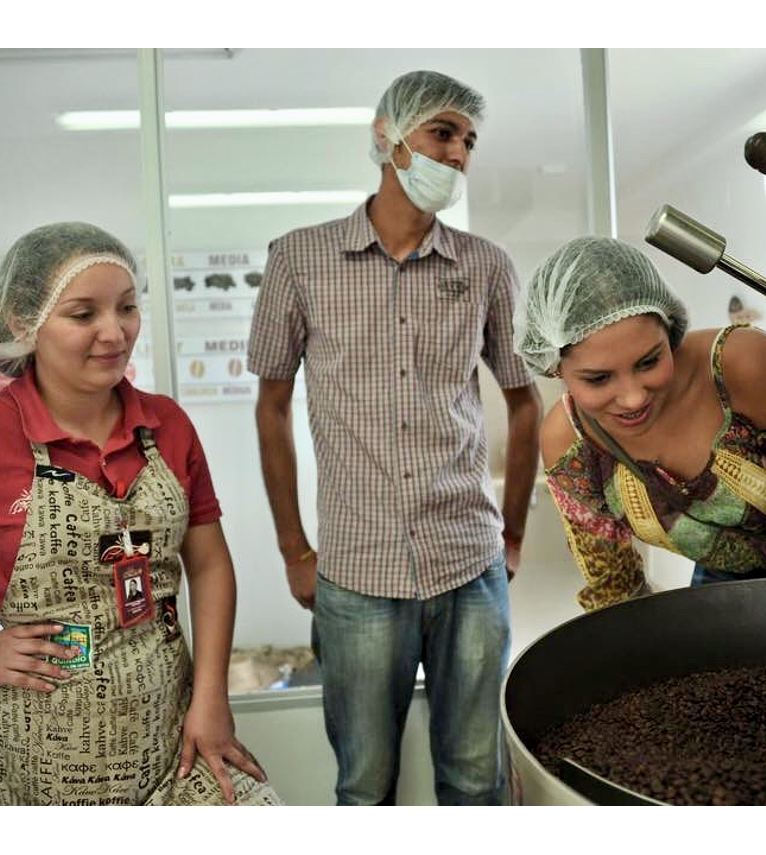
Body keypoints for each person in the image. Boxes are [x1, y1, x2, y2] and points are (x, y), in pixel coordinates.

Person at [248, 70, 541, 805]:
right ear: (388, 137)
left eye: (468, 140)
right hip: (357, 570)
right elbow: (272, 408)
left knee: (476, 781)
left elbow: (524, 400)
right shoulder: (299, 259)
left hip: (469, 564)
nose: (458, 154)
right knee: (364, 783)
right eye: (443, 133)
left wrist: (511, 532)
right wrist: (294, 548)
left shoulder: (485, 265)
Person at [0, 222, 280, 806]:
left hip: (175, 736)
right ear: (23, 322)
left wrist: (212, 697)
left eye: (127, 307)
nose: (115, 333)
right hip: (45, 755)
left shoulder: (167, 425)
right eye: (83, 314)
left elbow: (210, 564)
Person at [514, 237, 766, 610]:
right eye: (598, 379)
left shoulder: (746, 366)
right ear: (555, 368)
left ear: (669, 328)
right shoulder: (568, 443)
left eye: (649, 362)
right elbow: (615, 589)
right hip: (720, 581)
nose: (633, 398)